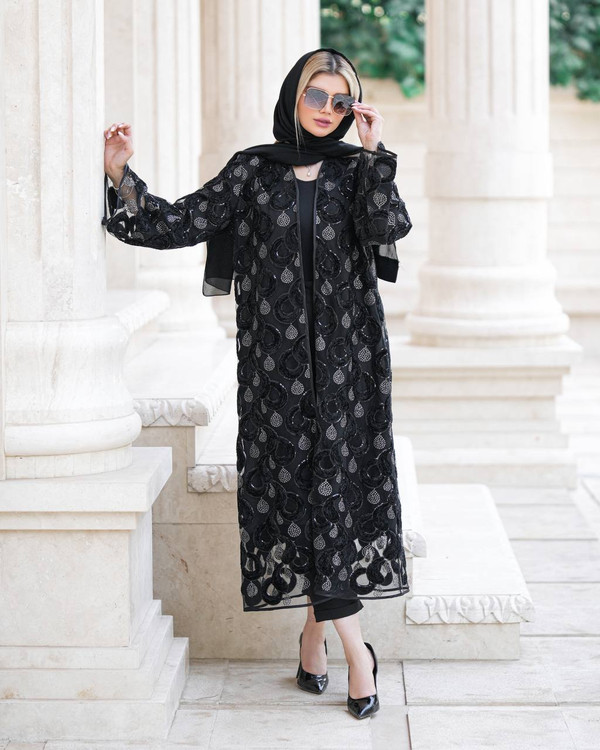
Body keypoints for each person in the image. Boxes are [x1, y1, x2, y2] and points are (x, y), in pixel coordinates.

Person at [103, 47, 412, 720]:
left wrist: (375, 150)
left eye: (341, 101)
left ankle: (343, 650)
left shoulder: (358, 170)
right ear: (292, 97)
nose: (327, 110)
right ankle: (326, 642)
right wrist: (122, 175)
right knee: (301, 500)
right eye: (315, 96)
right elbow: (176, 222)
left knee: (333, 500)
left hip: (349, 370)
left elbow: (389, 230)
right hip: (277, 374)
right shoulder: (253, 170)